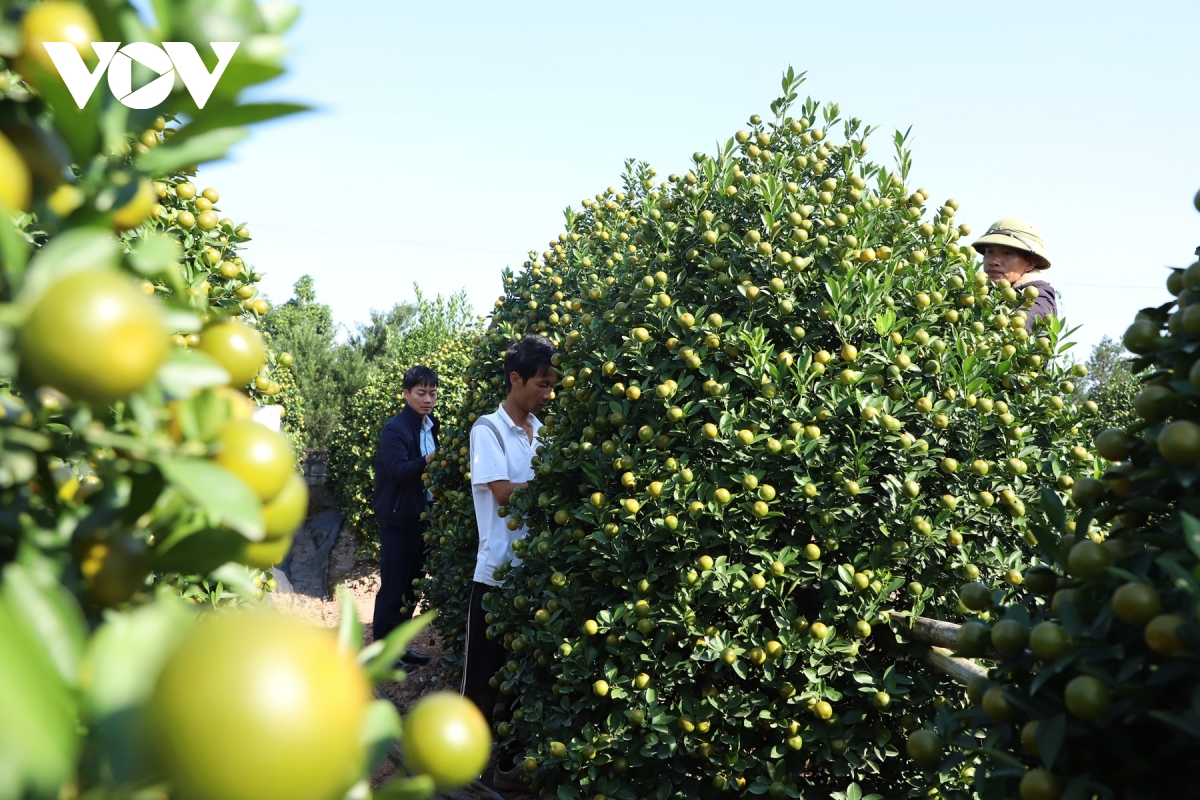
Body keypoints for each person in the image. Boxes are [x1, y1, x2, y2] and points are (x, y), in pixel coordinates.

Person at [461, 334, 556, 788]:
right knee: (482, 679)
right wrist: (553, 494)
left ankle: (508, 768)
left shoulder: (543, 432)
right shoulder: (489, 430)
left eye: (552, 385)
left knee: (523, 682)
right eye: (541, 384)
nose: (548, 393)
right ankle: (460, 764)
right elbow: (501, 493)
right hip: (497, 577)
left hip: (535, 577)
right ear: (515, 379)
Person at [371, 365, 439, 667]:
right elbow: (398, 472)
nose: (428, 399)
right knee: (393, 589)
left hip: (423, 520)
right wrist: (429, 459)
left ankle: (399, 647)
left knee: (412, 587)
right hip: (398, 521)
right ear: (406, 393)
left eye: (432, 393)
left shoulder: (431, 425)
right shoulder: (395, 429)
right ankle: (382, 656)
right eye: (421, 393)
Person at [972, 217, 1058, 331]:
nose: (993, 261)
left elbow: (1020, 324)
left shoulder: (1039, 299)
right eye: (989, 251)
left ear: (1030, 263)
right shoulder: (977, 293)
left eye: (1007, 253)